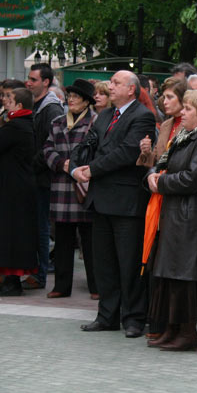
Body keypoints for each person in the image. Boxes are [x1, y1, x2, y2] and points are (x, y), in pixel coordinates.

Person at [70, 71, 156, 337]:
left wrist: (92, 169)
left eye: (117, 83)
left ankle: (133, 318)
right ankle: (107, 315)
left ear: (131, 89)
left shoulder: (142, 116)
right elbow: (86, 144)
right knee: (104, 263)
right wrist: (75, 167)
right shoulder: (104, 115)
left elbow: (127, 152)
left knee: (129, 263)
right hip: (100, 200)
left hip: (126, 201)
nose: (110, 86)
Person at [145, 90, 197, 351]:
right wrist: (153, 175)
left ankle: (188, 333)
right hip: (176, 215)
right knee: (169, 275)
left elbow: (191, 179)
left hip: (192, 218)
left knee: (183, 277)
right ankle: (171, 328)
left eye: (188, 108)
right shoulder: (184, 136)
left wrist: (161, 183)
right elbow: (163, 162)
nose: (182, 112)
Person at [42, 78, 99, 299]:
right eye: (70, 96)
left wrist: (79, 168)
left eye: (76, 97)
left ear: (86, 102)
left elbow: (98, 151)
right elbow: (46, 148)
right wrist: (61, 163)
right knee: (63, 239)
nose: (71, 100)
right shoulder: (57, 122)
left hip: (85, 184)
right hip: (62, 186)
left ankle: (96, 286)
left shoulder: (96, 122)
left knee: (90, 240)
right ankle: (61, 286)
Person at [0, 88, 39, 296]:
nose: (5, 100)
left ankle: (11, 280)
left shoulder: (15, 126)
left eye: (9, 98)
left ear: (20, 106)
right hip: (18, 186)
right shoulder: (26, 124)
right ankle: (9, 277)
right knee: (14, 233)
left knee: (9, 234)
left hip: (11, 188)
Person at [25, 63, 64, 290]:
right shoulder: (36, 104)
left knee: (41, 226)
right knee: (36, 225)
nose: (29, 82)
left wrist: (32, 163)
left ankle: (40, 274)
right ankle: (35, 270)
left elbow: (52, 143)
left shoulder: (51, 108)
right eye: (28, 78)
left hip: (43, 176)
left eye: (33, 79)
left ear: (46, 82)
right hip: (35, 175)